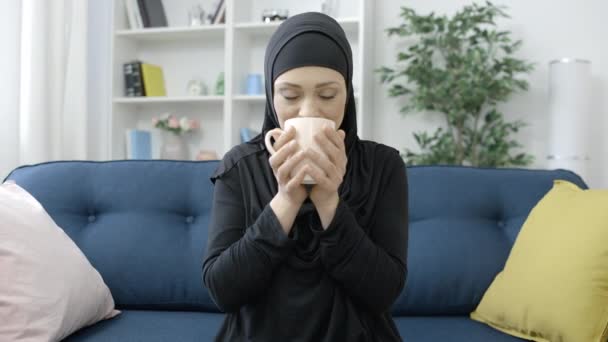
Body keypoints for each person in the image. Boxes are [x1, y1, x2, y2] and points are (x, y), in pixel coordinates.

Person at [202, 12, 408, 341]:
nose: (308, 111)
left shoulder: (384, 166)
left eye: (327, 95)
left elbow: (384, 292)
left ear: (347, 94)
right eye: (291, 95)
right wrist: (288, 197)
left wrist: (328, 200)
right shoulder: (241, 167)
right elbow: (223, 291)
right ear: (271, 95)